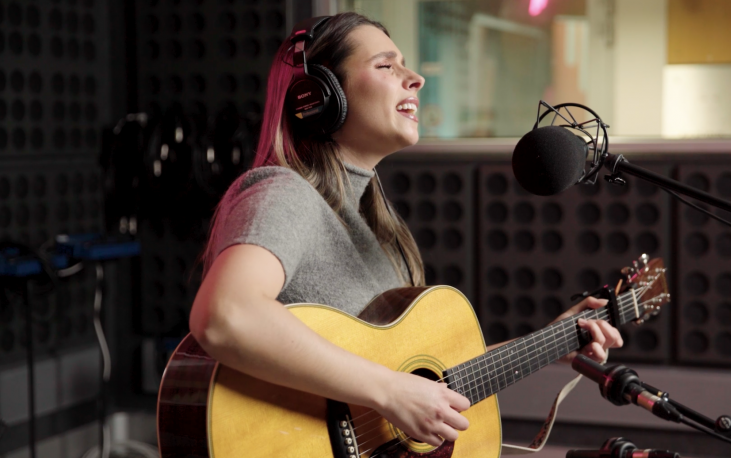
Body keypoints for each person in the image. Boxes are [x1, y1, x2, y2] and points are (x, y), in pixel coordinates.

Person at [189, 12, 623, 448]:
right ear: (318, 96)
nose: (416, 78)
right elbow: (226, 314)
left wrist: (549, 342)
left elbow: (422, 384)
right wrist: (390, 391)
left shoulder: (379, 231)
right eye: (386, 65)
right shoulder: (286, 194)